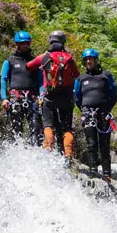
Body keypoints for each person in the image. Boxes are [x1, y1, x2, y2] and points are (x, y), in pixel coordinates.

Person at [26, 30, 79, 158]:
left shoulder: (44, 57)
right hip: (66, 98)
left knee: (48, 125)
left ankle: (47, 150)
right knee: (67, 128)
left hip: (49, 97)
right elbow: (76, 75)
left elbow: (28, 66)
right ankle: (68, 154)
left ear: (51, 41)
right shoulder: (70, 59)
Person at [75, 48, 117, 179]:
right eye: (86, 60)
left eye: (91, 59)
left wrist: (107, 110)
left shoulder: (106, 76)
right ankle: (93, 172)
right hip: (88, 115)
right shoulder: (80, 78)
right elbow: (77, 97)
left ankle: (107, 174)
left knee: (104, 145)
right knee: (91, 144)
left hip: (103, 115)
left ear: (96, 60)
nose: (89, 61)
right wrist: (85, 110)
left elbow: (113, 95)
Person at [1, 31, 43, 145]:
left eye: (27, 43)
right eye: (22, 43)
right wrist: (4, 98)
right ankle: (16, 149)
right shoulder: (10, 61)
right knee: (16, 127)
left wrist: (42, 96)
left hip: (32, 97)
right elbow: (3, 79)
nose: (25, 45)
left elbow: (40, 81)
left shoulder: (35, 61)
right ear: (17, 44)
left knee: (36, 126)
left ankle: (36, 150)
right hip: (16, 98)